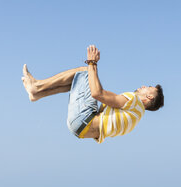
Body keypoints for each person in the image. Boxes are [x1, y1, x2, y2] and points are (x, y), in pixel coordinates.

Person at [21, 45, 164, 143]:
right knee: (83, 80)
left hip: (84, 118)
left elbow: (97, 93)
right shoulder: (136, 117)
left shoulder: (133, 101)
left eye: (149, 87)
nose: (144, 86)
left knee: (85, 71)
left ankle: (37, 87)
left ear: (149, 97)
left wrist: (92, 62)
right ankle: (37, 94)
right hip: (81, 130)